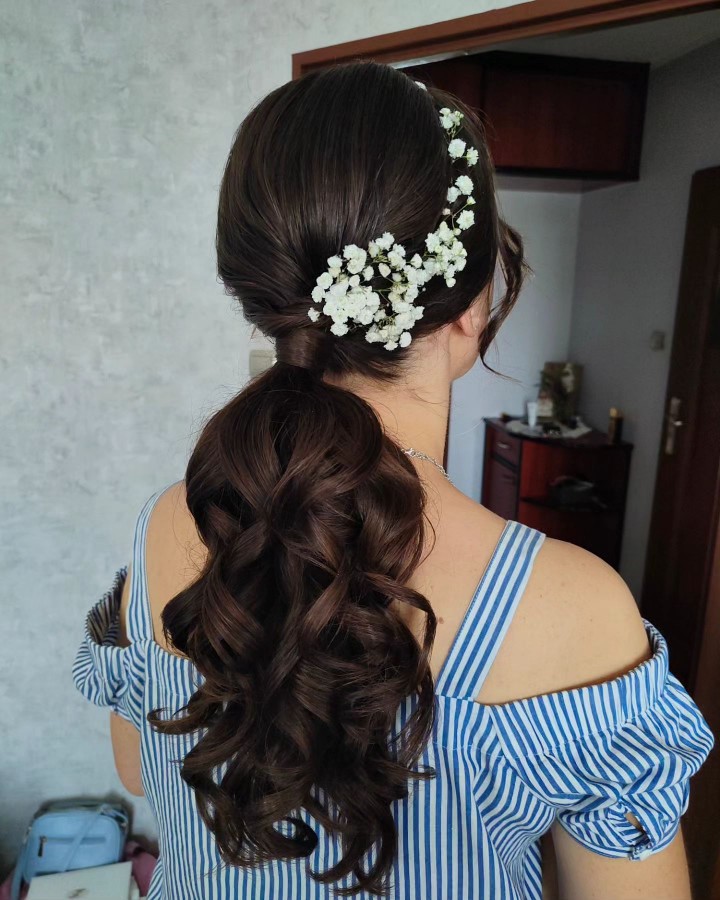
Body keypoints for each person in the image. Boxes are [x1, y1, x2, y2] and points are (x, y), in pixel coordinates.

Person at [74, 60, 714, 900]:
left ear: (261, 295)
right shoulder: (572, 609)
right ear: (472, 305)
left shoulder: (170, 520)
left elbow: (137, 768)